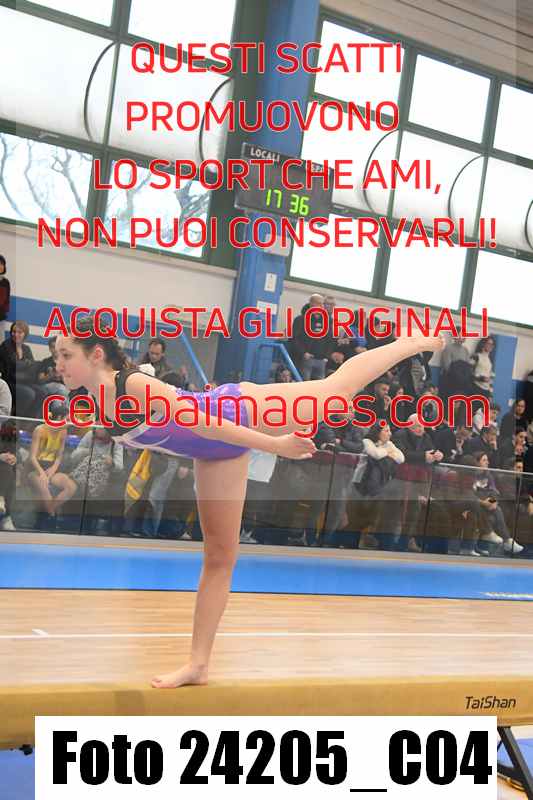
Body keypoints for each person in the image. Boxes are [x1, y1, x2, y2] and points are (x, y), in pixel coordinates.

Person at [54, 313, 445, 689]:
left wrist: (275, 444)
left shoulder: (133, 385)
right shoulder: (98, 401)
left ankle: (409, 343)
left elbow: (206, 423)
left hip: (240, 412)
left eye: (66, 355)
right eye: (57, 355)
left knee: (335, 391)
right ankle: (198, 664)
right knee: (219, 558)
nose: (58, 364)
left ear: (96, 354)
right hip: (211, 453)